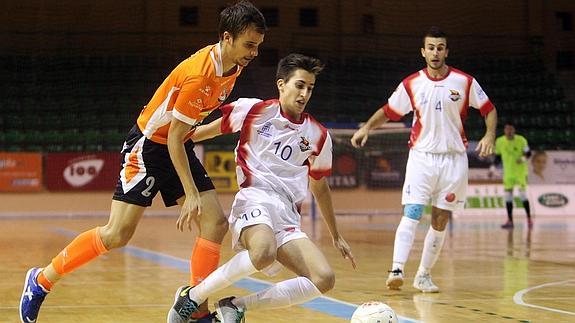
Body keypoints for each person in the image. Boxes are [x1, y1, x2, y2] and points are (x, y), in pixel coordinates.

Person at [19, 2, 266, 322]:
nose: (254, 53)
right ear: (226, 38)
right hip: (149, 147)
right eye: (249, 45)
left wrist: (209, 134)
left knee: (214, 223)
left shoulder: (234, 65)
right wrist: (190, 193)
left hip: (177, 143)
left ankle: (196, 307)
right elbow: (174, 137)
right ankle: (40, 281)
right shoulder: (199, 75)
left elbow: (185, 134)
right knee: (117, 234)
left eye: (258, 46)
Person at [167, 53, 356, 323]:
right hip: (254, 200)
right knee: (263, 252)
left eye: (310, 88)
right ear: (281, 84)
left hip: (287, 217)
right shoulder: (253, 110)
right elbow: (199, 133)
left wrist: (336, 235)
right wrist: (166, 141)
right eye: (299, 85)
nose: (304, 93)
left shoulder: (318, 135)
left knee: (323, 278)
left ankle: (235, 307)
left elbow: (320, 187)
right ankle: (193, 296)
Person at [350, 26, 497, 293]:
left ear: (446, 51)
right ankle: (396, 269)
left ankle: (424, 275)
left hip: (454, 160)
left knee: (441, 219)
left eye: (440, 47)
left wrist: (489, 135)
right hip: (422, 158)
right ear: (423, 51)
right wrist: (366, 128)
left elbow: (489, 109)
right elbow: (389, 111)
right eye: (431, 47)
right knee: (413, 212)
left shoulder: (464, 82)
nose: (435, 52)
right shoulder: (411, 84)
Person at [492, 122, 532, 229]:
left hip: (521, 173)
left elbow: (529, 153)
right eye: (507, 129)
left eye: (511, 129)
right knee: (508, 198)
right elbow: (498, 157)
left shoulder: (521, 140)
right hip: (508, 174)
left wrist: (523, 159)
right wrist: (493, 167)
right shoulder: (500, 141)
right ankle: (510, 221)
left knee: (523, 196)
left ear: (514, 130)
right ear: (504, 130)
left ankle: (529, 219)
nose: (509, 131)